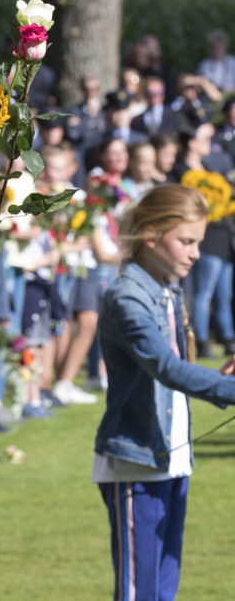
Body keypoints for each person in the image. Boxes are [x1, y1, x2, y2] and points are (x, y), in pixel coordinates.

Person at [92, 184, 235, 601]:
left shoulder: (168, 288)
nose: (195, 253)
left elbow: (176, 369)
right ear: (151, 235)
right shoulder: (127, 296)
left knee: (164, 590)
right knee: (139, 593)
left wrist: (221, 375)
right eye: (186, 241)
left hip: (173, 456)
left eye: (198, 242)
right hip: (137, 459)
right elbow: (167, 369)